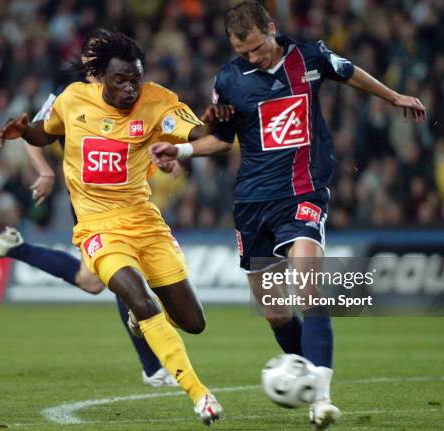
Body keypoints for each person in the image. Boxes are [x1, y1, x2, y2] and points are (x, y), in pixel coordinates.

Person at [150, 1, 426, 429]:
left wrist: (393, 97)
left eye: (258, 48)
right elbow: (222, 140)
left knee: (309, 282)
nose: (253, 58)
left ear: (271, 30)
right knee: (275, 312)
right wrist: (182, 150)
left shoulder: (310, 57)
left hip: (303, 191)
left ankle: (322, 398)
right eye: (244, 53)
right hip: (252, 202)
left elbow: (350, 73)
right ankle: (305, 372)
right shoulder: (228, 80)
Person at [0, 31, 232, 425]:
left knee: (194, 322)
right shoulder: (72, 99)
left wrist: (215, 123)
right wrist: (23, 130)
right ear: (100, 77)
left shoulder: (158, 101)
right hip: (96, 228)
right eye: (120, 80)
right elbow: (43, 132)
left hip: (144, 221)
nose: (129, 88)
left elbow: (199, 135)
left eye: (134, 80)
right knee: (140, 299)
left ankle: (143, 327)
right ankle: (199, 393)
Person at [0, 32, 179, 388]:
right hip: (90, 198)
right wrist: (44, 170)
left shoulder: (126, 90)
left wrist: (165, 155)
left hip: (122, 192)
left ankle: (16, 247)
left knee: (91, 282)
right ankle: (152, 368)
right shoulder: (66, 93)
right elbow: (35, 133)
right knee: (122, 272)